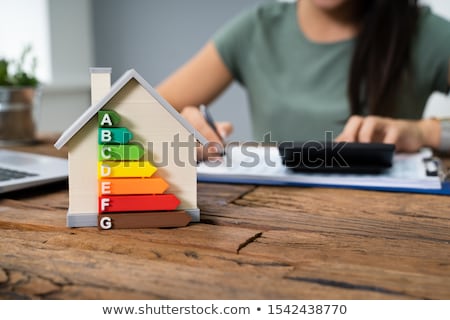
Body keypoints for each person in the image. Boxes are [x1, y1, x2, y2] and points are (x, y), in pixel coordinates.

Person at [157, 0, 450, 153]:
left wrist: (426, 133)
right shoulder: (256, 29)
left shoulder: (427, 35)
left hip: (386, 229)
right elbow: (129, 117)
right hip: (267, 225)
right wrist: (175, 127)